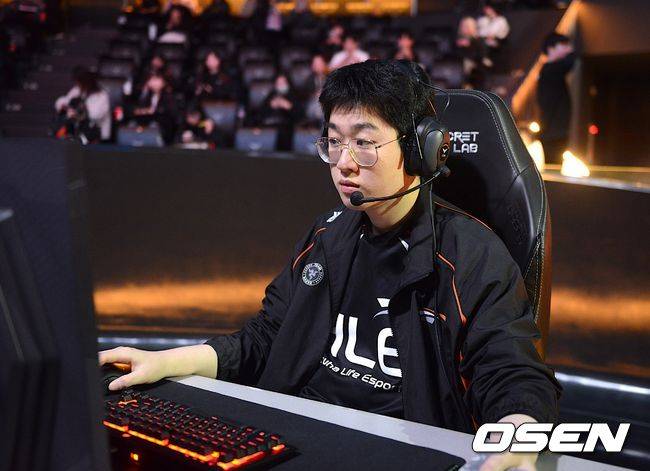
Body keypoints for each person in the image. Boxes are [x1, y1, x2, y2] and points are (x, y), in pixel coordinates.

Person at [99, 60, 561, 471]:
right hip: (295, 437)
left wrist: (516, 440)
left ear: (420, 149)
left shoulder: (470, 256)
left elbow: (512, 372)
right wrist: (165, 362)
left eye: (364, 143)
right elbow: (264, 339)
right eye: (335, 142)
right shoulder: (327, 235)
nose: (344, 163)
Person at [536, 32, 575, 165]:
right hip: (553, 131)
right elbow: (570, 61)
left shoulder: (548, 70)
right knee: (554, 166)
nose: (567, 49)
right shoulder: (551, 69)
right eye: (563, 45)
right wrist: (571, 52)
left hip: (553, 130)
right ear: (551, 48)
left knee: (554, 164)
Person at [55, 67, 111, 141]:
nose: (78, 85)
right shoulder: (77, 90)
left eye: (80, 82)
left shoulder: (101, 95)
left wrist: (82, 110)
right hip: (79, 132)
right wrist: (66, 107)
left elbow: (95, 115)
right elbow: (63, 101)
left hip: (97, 134)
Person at [129, 72, 178, 144]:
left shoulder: (168, 96)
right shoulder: (146, 96)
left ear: (163, 82)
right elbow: (139, 108)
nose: (154, 83)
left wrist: (154, 111)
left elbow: (170, 112)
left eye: (156, 80)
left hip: (163, 125)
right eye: (152, 80)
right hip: (147, 122)